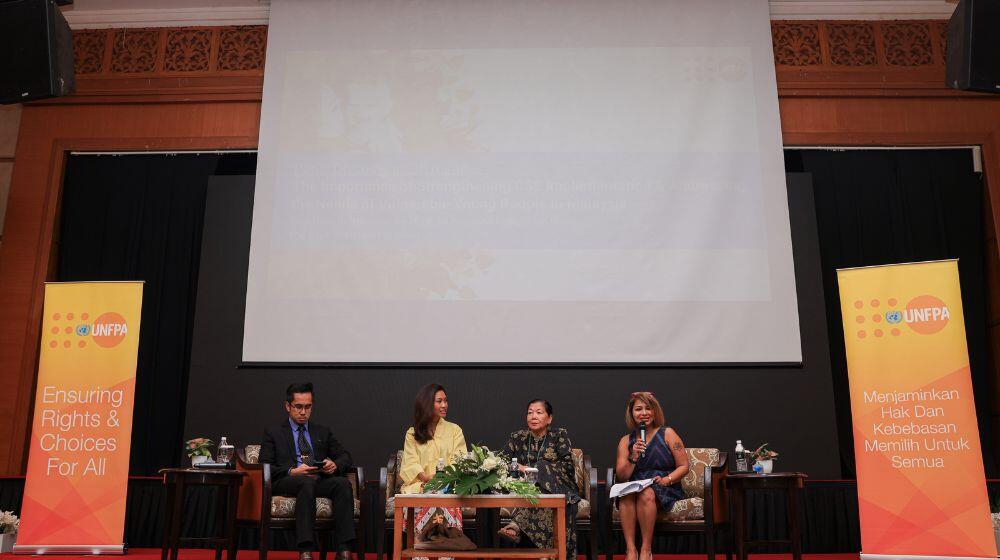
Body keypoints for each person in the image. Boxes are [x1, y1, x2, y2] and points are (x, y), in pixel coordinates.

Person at [260, 382, 355, 560]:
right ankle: (306, 550)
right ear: (288, 406)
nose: (303, 412)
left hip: (317, 480)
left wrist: (334, 464)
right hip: (288, 480)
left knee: (342, 483)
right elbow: (265, 466)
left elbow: (345, 456)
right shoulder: (273, 433)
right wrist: (292, 471)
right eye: (298, 407)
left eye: (308, 407)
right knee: (306, 482)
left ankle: (344, 550)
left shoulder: (322, 431)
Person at [500, 399, 580, 560]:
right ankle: (546, 553)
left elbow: (568, 466)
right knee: (538, 482)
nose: (533, 416)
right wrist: (523, 470)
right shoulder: (517, 437)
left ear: (549, 418)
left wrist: (534, 470)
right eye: (530, 412)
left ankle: (517, 523)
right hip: (524, 487)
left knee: (542, 466)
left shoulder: (559, 435)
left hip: (560, 485)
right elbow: (502, 462)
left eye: (539, 412)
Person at [614, 391, 690, 560]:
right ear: (632, 414)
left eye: (648, 408)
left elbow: (684, 466)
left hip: (664, 484)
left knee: (646, 493)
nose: (643, 413)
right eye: (638, 409)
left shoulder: (668, 433)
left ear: (655, 411)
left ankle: (646, 550)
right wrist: (633, 456)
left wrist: (667, 480)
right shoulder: (626, 441)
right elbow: (622, 476)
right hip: (636, 484)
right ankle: (631, 550)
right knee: (626, 494)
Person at [400, 384, 469, 547]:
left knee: (442, 494)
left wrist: (443, 479)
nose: (444, 405)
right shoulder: (412, 432)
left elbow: (460, 460)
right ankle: (420, 552)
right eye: (439, 401)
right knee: (427, 493)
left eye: (446, 401)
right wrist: (426, 478)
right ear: (427, 403)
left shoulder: (454, 430)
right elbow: (410, 462)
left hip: (447, 484)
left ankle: (447, 553)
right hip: (421, 484)